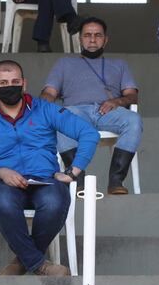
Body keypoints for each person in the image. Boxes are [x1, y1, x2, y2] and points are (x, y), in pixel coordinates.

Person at [0, 60, 99, 276]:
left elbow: (89, 134)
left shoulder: (45, 110)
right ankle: (40, 265)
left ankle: (22, 261)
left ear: (24, 84)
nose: (10, 86)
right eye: (4, 82)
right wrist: (1, 172)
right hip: (6, 186)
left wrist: (73, 171)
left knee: (55, 201)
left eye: (15, 81)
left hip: (46, 181)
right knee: (3, 202)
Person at [41, 17, 142, 194]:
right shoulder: (64, 63)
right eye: (87, 35)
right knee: (61, 117)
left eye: (98, 35)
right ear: (80, 39)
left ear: (106, 39)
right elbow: (50, 92)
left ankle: (116, 181)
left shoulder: (119, 64)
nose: (93, 39)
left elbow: (132, 96)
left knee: (133, 119)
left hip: (109, 111)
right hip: (76, 112)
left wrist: (116, 101)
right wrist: (44, 106)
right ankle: (77, 179)